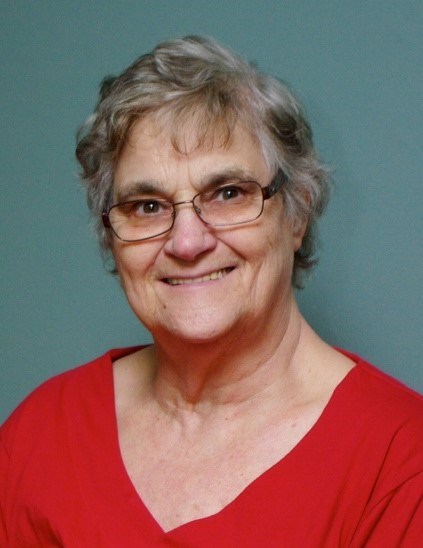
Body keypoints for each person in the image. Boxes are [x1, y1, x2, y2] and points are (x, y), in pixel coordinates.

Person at [1, 35, 422, 547]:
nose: (187, 242)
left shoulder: (400, 463)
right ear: (111, 235)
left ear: (298, 213)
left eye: (227, 193)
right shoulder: (40, 437)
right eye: (148, 206)